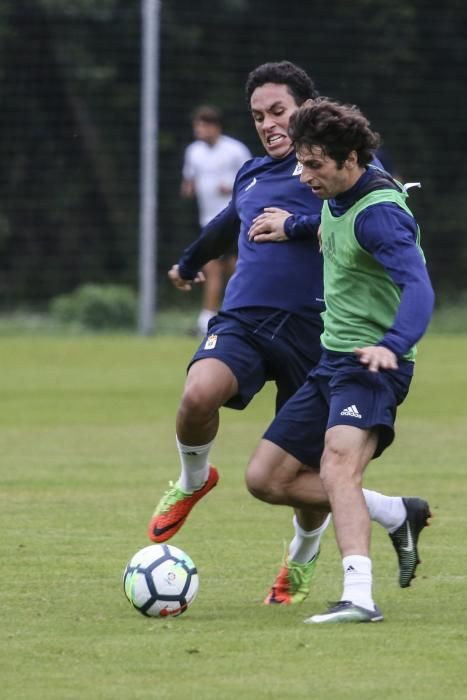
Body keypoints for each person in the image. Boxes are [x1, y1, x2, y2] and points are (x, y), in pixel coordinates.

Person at [147, 61, 431, 605]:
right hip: (247, 319)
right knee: (199, 392)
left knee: (302, 475)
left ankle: (303, 560)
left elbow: (365, 219)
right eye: (258, 116)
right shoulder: (255, 173)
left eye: (278, 111)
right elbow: (227, 225)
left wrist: (393, 341)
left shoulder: (340, 170)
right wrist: (188, 263)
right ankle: (192, 479)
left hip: (319, 334)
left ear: (306, 109)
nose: (269, 124)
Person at [245, 97, 435, 623]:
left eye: (314, 165)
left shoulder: (381, 217)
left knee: (336, 464)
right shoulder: (338, 192)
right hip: (331, 361)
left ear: (351, 159)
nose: (304, 174)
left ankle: (359, 597)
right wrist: (295, 226)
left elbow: (419, 288)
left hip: (374, 365)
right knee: (266, 478)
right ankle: (395, 512)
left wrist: (392, 345)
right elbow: (334, 224)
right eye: (301, 163)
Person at [181, 105, 252, 335]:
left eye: (204, 125)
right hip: (208, 220)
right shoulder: (193, 152)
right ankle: (209, 320)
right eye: (197, 125)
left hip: (234, 219)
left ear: (216, 126)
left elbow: (251, 182)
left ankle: (239, 313)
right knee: (212, 270)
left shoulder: (235, 150)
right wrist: (188, 188)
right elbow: (189, 179)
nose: (199, 130)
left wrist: (230, 188)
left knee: (236, 269)